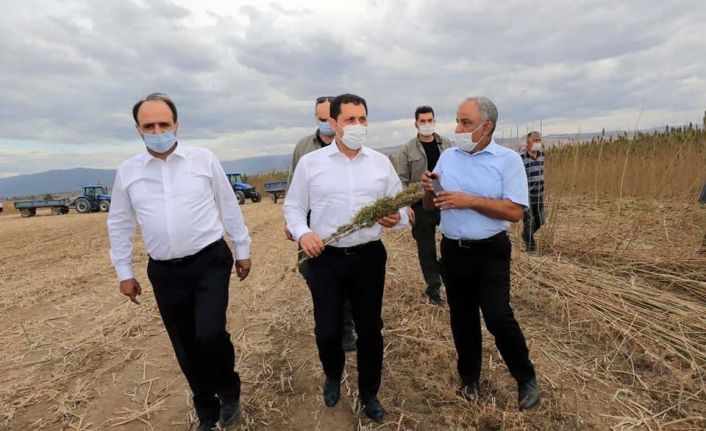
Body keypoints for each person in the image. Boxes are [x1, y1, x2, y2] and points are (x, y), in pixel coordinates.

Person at [107, 93, 252, 431]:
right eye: (149, 126)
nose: (158, 131)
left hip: (209, 261)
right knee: (185, 344)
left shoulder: (203, 160)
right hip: (164, 271)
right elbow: (120, 223)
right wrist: (124, 272)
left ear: (177, 125)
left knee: (210, 333)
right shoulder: (128, 172)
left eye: (164, 124)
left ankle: (229, 392)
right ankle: (206, 410)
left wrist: (242, 249)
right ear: (138, 130)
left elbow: (228, 205)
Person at [284, 93, 408, 423]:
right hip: (326, 259)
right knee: (327, 330)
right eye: (350, 120)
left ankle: (369, 392)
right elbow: (293, 207)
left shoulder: (380, 163)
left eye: (363, 118)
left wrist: (399, 218)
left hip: (368, 257)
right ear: (333, 123)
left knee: (370, 330)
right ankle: (332, 375)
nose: (357, 125)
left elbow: (403, 208)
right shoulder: (312, 164)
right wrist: (303, 233)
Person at [421, 96, 540, 411]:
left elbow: (514, 211)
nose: (457, 128)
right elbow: (433, 205)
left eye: (466, 122)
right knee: (462, 318)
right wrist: (427, 190)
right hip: (453, 250)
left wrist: (468, 200)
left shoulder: (507, 160)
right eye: (458, 121)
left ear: (486, 127)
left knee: (498, 317)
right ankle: (470, 378)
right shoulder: (447, 156)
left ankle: (525, 378)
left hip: (490, 252)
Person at [285, 96, 357, 352]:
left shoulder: (349, 146)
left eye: (330, 117)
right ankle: (328, 319)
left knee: (345, 274)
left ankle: (347, 326)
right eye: (321, 118)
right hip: (309, 224)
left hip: (339, 223)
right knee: (311, 272)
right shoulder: (304, 147)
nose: (326, 122)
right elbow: (293, 186)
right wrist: (291, 223)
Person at [396, 105, 452, 305]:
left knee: (452, 243)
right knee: (426, 248)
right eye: (423, 121)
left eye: (430, 120)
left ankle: (444, 269)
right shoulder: (407, 150)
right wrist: (405, 206)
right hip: (420, 205)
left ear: (435, 121)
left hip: (446, 202)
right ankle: (433, 287)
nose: (427, 124)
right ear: (416, 123)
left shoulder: (446, 144)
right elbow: (401, 180)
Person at [520, 131, 545, 253]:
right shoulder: (521, 157)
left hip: (539, 194)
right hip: (527, 195)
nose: (537, 143)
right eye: (535, 140)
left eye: (539, 140)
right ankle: (531, 247)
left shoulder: (542, 155)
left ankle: (526, 235)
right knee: (529, 221)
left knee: (541, 220)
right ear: (528, 142)